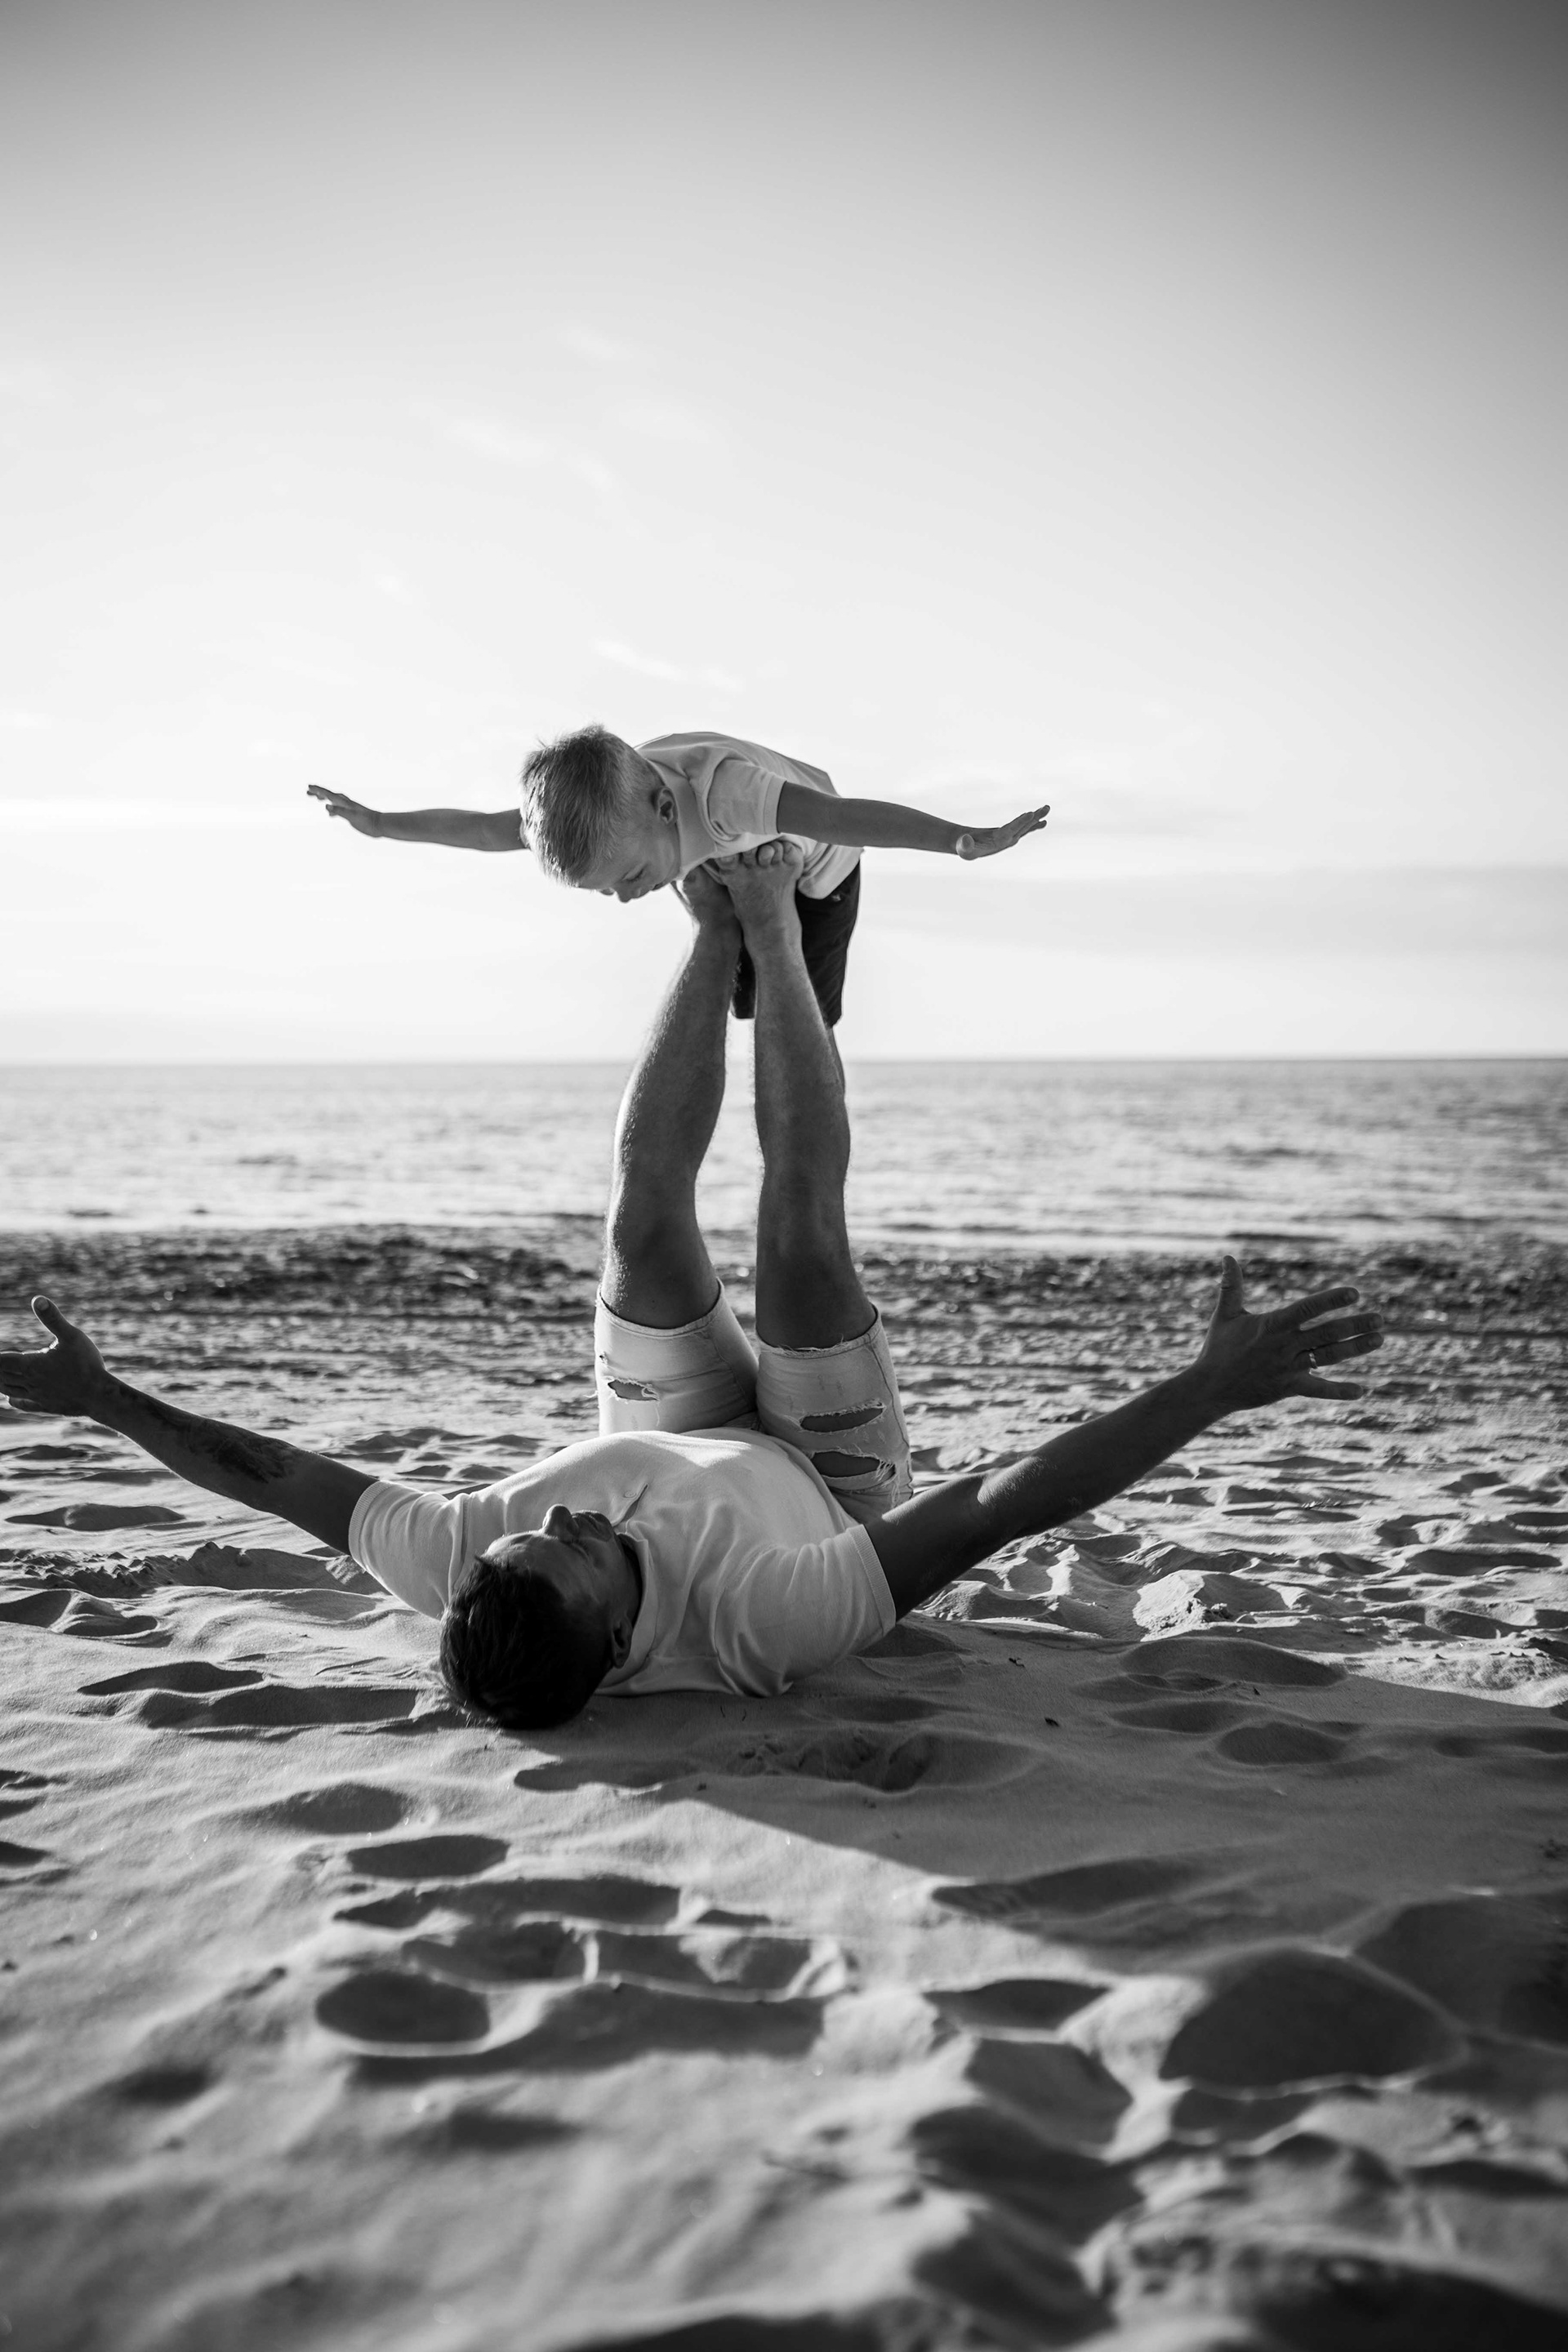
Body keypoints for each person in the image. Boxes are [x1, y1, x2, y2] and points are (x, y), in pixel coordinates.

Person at [0, 849, 1383, 1731]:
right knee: (798, 1239)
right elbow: (999, 1504)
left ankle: (713, 914)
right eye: (579, 1548)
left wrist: (102, 1399)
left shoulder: (474, 1568)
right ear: (619, 1646)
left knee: (642, 1222)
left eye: (527, 1538)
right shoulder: (762, 1622)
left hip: (671, 1419)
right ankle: (779, 920)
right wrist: (1206, 1391)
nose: (559, 1516)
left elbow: (273, 1477)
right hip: (827, 1479)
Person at [308, 724, 1049, 1028]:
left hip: (822, 876)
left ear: (667, 807)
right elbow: (480, 829)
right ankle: (717, 887)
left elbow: (842, 816)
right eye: (606, 890)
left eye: (628, 877)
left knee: (796, 1019)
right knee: (741, 1002)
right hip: (717, 857)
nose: (624, 898)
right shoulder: (619, 816)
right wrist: (381, 823)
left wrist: (958, 840)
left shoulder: (727, 793)